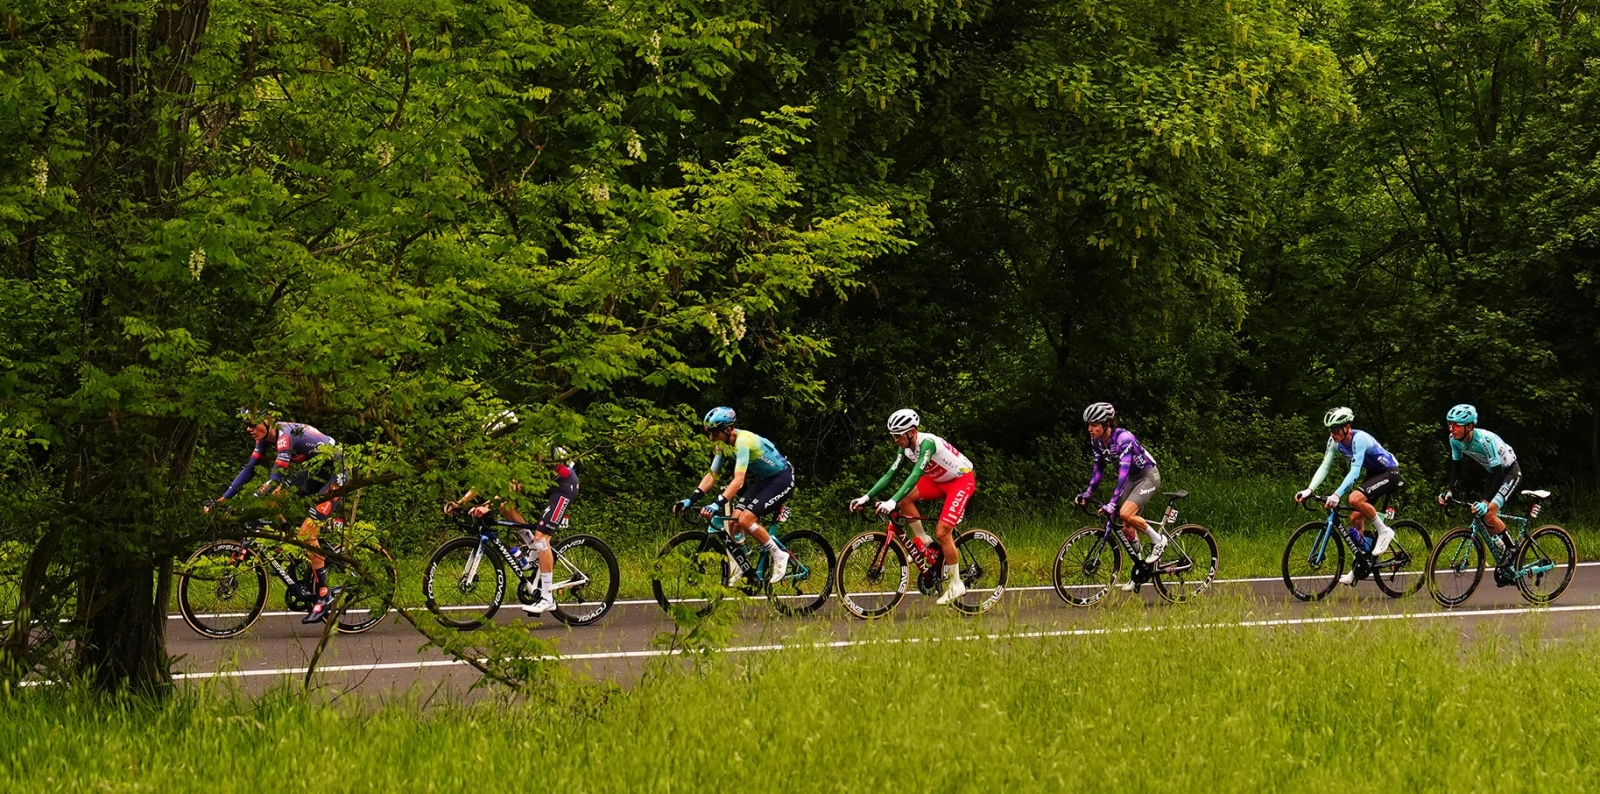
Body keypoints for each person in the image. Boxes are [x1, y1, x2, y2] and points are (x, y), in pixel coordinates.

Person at [208, 407, 349, 624]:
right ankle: (289, 538)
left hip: (335, 472)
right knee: (271, 500)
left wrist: (249, 500)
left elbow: (276, 476)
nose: (248, 429)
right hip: (317, 472)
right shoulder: (265, 440)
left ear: (267, 421)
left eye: (252, 424)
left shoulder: (285, 435)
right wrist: (223, 499)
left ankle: (324, 594)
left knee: (306, 531)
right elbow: (248, 470)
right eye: (246, 425)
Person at [445, 411, 578, 615]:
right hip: (542, 483)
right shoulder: (505, 451)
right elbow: (486, 481)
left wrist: (487, 505)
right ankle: (532, 547)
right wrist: (460, 502)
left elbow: (515, 485)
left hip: (563, 485)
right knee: (504, 506)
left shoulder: (526, 449)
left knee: (543, 538)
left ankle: (547, 598)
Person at [848, 409, 976, 605]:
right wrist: (866, 497)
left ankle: (956, 583)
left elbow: (915, 475)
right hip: (939, 480)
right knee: (905, 499)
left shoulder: (927, 443)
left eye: (898, 435)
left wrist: (891, 501)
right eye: (893, 436)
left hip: (961, 480)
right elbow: (890, 474)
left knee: (942, 533)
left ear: (912, 432)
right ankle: (923, 539)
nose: (895, 440)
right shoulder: (906, 448)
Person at [675, 407, 792, 585]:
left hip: (782, 479)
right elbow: (711, 475)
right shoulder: (722, 446)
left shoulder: (742, 442)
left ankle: (779, 555)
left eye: (714, 433)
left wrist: (716, 504)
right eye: (709, 433)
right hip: (765, 480)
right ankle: (745, 564)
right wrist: (691, 499)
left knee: (746, 520)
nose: (711, 438)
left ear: (728, 430)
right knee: (733, 522)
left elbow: (738, 481)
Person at [1294, 407, 1402, 586]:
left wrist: (1337, 494)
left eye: (1336, 429)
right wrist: (1309, 490)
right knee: (1354, 518)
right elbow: (1325, 466)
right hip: (1374, 473)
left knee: (1354, 499)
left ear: (1347, 427)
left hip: (1389, 471)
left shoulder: (1359, 439)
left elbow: (1354, 472)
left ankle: (1385, 531)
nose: (1332, 433)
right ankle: (1360, 564)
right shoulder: (1334, 441)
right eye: (1330, 430)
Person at [1074, 402, 1163, 591]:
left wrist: (1113, 503)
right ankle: (1141, 569)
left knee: (1124, 513)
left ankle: (1158, 540)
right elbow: (1098, 469)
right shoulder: (1097, 441)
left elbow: (1122, 473)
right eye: (1088, 425)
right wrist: (1088, 493)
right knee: (1126, 527)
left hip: (1147, 476)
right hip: (1132, 478)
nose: (1090, 429)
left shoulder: (1123, 438)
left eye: (1095, 425)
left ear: (1107, 424)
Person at [1436, 404, 1520, 560]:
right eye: (1450, 424)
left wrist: (1486, 501)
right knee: (1483, 515)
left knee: (1489, 512)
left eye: (1456, 425)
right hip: (1493, 473)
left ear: (1469, 427)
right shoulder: (1454, 441)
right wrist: (1449, 492)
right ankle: (1501, 549)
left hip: (1509, 472)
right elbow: (1457, 470)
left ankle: (1512, 548)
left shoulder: (1484, 440)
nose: (1451, 429)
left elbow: (1499, 475)